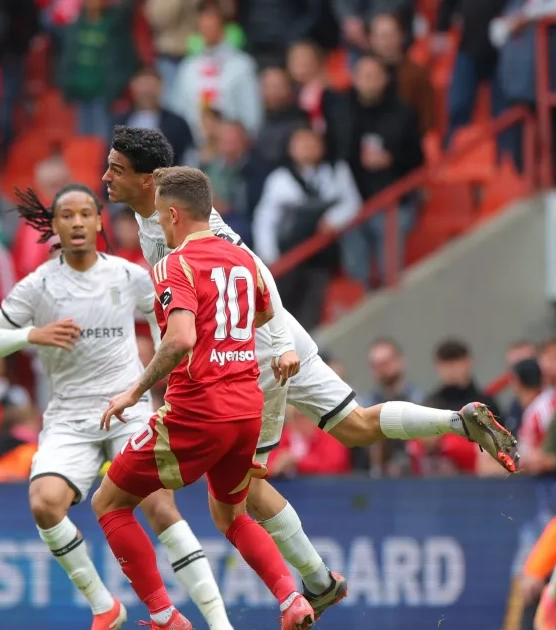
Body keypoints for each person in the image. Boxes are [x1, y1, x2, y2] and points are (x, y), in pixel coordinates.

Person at [103, 125, 519, 617]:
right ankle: (456, 420)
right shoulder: (161, 211)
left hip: (249, 353)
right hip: (275, 338)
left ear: (150, 181)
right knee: (356, 427)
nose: (106, 177)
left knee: (239, 495)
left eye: (116, 170)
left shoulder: (182, 226)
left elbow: (254, 268)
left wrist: (276, 345)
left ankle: (316, 583)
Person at [0, 183, 224, 630]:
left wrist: (165, 368)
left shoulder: (127, 275)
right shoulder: (38, 285)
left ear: (98, 222)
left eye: (85, 214)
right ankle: (104, 606)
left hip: (126, 410)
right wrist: (32, 334)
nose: (76, 223)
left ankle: (217, 622)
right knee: (44, 504)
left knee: (160, 508)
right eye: (67, 215)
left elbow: (166, 320)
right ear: (54, 226)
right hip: (69, 418)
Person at [94, 166, 313, 630]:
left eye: (159, 216)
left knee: (108, 503)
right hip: (246, 409)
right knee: (231, 513)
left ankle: (164, 615)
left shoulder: (174, 265)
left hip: (198, 410)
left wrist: (134, 392)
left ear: (173, 214)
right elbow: (262, 313)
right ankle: (292, 599)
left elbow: (179, 340)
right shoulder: (243, 259)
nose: (159, 224)